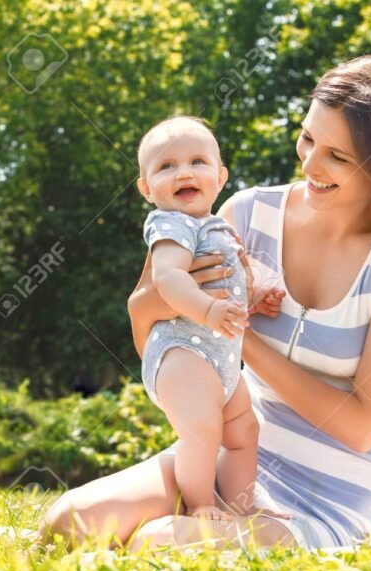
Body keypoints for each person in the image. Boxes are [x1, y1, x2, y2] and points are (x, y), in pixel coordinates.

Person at [40, 55, 371, 550]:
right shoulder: (246, 215)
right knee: (69, 520)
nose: (310, 164)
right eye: (308, 137)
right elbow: (164, 344)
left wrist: (241, 339)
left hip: (323, 492)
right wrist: (143, 308)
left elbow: (360, 427)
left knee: (162, 542)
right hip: (224, 451)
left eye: (339, 156)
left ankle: (176, 529)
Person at [134, 115, 282, 522]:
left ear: (220, 177)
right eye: (166, 166)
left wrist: (255, 298)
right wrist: (210, 310)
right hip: (182, 351)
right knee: (202, 428)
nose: (184, 171)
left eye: (197, 162)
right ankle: (200, 504)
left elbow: (229, 281)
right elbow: (169, 278)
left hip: (220, 360)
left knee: (243, 433)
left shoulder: (219, 227)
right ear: (147, 189)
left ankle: (242, 506)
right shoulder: (171, 225)